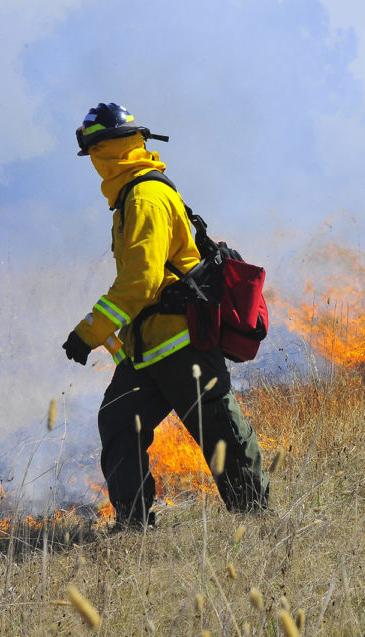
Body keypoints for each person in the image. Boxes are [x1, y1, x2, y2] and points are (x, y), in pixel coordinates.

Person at [62, 103, 269, 530]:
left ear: (107, 150)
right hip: (149, 347)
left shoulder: (145, 198)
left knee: (219, 430)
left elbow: (141, 283)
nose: (95, 165)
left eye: (96, 153)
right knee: (119, 420)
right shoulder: (131, 195)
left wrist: (89, 332)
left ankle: (258, 520)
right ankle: (133, 525)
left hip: (181, 342)